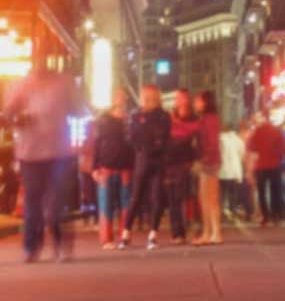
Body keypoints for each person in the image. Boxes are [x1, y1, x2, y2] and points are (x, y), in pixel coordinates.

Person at [3, 63, 82, 263]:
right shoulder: (19, 84)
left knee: (56, 204)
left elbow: (80, 110)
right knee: (33, 202)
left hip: (59, 152)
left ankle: (60, 242)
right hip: (30, 152)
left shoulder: (64, 83)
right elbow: (6, 115)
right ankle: (31, 247)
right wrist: (17, 118)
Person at [119, 84, 171, 250]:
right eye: (144, 96)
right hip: (142, 158)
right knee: (135, 197)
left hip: (157, 159)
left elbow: (164, 137)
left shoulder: (163, 115)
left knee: (156, 198)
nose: (146, 99)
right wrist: (142, 144)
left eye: (150, 96)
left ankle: (153, 234)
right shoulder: (135, 115)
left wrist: (152, 143)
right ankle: (126, 232)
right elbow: (130, 137)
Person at [92, 88, 134, 249]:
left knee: (126, 204)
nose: (120, 99)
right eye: (117, 96)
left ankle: (125, 235)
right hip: (106, 166)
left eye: (122, 95)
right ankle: (106, 239)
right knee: (106, 203)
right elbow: (96, 143)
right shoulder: (103, 119)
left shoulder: (131, 119)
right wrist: (95, 166)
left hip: (126, 166)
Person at [166, 88, 199, 244]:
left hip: (186, 163)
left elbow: (192, 133)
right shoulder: (169, 117)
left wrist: (177, 126)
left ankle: (190, 227)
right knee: (173, 199)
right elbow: (168, 136)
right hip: (171, 162)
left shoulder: (193, 118)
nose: (180, 101)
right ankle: (176, 231)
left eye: (183, 98)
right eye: (177, 98)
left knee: (186, 196)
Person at [193, 91, 222, 245]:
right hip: (209, 160)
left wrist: (202, 159)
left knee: (209, 198)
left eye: (197, 101)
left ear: (205, 102)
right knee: (206, 198)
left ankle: (213, 232)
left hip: (209, 161)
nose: (195, 103)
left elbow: (211, 143)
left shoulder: (209, 120)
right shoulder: (207, 119)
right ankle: (209, 232)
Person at [247, 112, 285, 225]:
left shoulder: (258, 132)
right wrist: (278, 157)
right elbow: (283, 148)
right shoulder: (277, 131)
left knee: (262, 192)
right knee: (276, 191)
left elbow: (251, 147)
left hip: (261, 165)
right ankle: (276, 215)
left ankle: (265, 216)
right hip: (275, 165)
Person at [219, 124, 249, 219]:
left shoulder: (219, 139)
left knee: (222, 193)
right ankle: (232, 211)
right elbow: (242, 155)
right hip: (234, 170)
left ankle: (222, 212)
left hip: (221, 171)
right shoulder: (238, 140)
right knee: (233, 192)